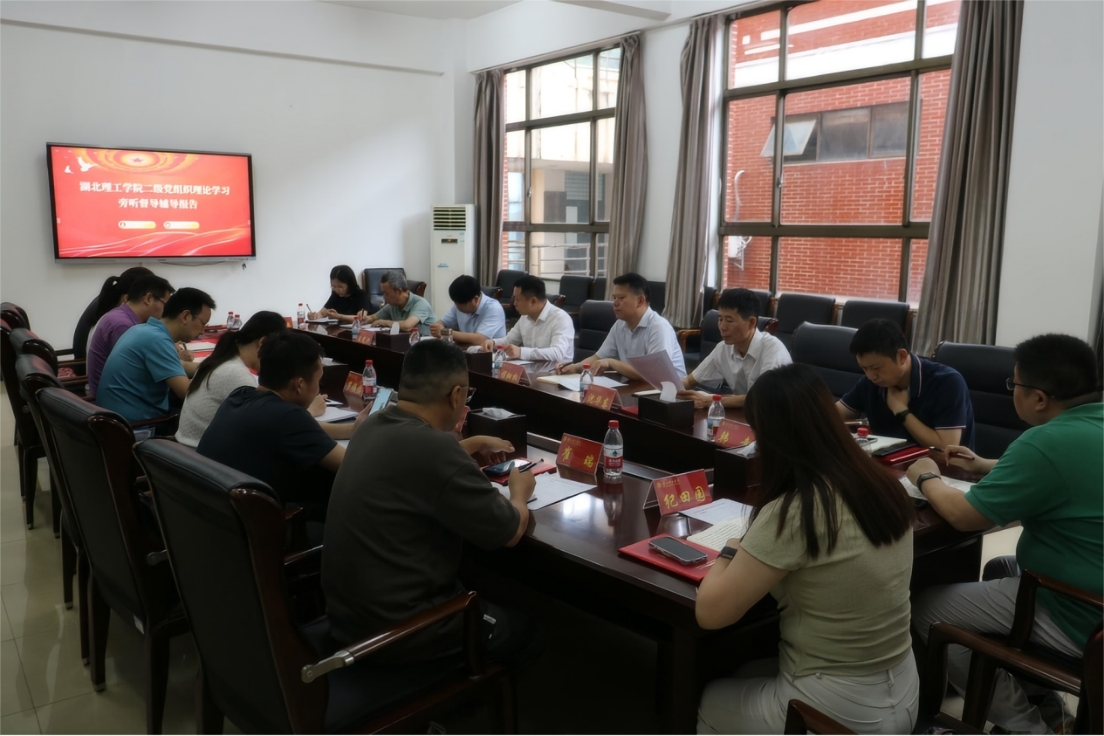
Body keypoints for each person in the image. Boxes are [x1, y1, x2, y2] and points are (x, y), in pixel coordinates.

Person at [696, 363, 917, 735]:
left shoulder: (799, 510)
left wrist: (731, 549)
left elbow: (710, 613)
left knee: (711, 696)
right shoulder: (884, 485)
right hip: (905, 690)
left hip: (837, 709)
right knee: (746, 670)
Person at [908, 333, 1102, 735]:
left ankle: (1026, 728)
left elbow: (963, 516)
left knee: (926, 608)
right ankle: (1048, 708)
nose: (1011, 391)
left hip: (1081, 612)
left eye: (1014, 384)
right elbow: (1068, 471)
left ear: (1039, 398)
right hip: (1090, 585)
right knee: (1000, 566)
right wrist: (985, 465)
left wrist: (926, 477)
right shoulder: (1089, 424)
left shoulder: (1045, 443)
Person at [323, 339, 543, 666]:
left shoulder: (370, 426)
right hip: (400, 631)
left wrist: (470, 445)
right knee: (530, 628)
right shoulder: (437, 449)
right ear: (456, 395)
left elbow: (415, 462)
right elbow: (510, 531)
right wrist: (519, 492)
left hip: (347, 617)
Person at [198, 330, 367, 515]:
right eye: (319, 381)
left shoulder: (240, 395)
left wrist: (352, 430)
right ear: (299, 384)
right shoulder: (288, 416)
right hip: (258, 520)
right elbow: (353, 467)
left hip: (212, 512)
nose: (319, 389)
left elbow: (304, 430)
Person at [177, 311, 321, 447]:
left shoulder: (221, 360)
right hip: (203, 456)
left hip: (187, 453)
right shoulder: (236, 374)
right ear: (262, 343)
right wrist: (310, 412)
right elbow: (275, 427)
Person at [836, 318, 975, 450]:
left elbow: (946, 447)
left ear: (901, 356)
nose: (871, 376)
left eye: (876, 368)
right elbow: (835, 414)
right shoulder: (871, 382)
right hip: (890, 462)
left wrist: (901, 411)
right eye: (864, 368)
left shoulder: (947, 383)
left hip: (939, 466)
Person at [95, 287, 216, 423]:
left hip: (114, 419)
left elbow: (178, 366)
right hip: (136, 425)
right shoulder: (158, 340)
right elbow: (186, 392)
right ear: (185, 316)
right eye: (203, 324)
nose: (203, 331)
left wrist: (214, 368)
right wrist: (221, 382)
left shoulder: (143, 329)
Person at [557, 272, 686, 379]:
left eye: (621, 298)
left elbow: (654, 373)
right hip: (635, 388)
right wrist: (575, 368)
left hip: (668, 394)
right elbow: (599, 357)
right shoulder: (620, 325)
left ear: (640, 300)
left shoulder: (659, 327)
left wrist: (612, 363)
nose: (615, 303)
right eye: (614, 298)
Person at [679, 288, 791, 409]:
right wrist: (668, 385)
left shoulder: (773, 350)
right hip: (746, 414)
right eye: (720, 319)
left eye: (729, 320)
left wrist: (709, 401)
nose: (722, 327)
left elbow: (762, 399)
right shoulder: (723, 348)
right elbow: (689, 381)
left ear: (751, 323)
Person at [86, 275, 175, 397]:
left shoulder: (120, 316)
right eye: (165, 304)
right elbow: (148, 365)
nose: (166, 311)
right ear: (148, 298)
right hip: (113, 399)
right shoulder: (123, 325)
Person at [479, 275, 573, 362]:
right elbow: (509, 340)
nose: (514, 303)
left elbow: (557, 353)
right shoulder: (525, 317)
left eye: (517, 299)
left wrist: (521, 352)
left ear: (533, 301)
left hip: (555, 372)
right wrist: (493, 343)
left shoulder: (561, 318)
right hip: (531, 369)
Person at [73, 266, 155, 359]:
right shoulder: (119, 322)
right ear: (126, 298)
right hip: (84, 364)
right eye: (148, 298)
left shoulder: (107, 302)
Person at [430, 274, 506, 347]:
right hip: (466, 350)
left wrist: (446, 333)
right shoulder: (460, 304)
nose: (457, 307)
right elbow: (443, 322)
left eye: (461, 304)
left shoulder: (493, 308)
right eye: (455, 303)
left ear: (476, 299)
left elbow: (480, 339)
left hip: (490, 353)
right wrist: (437, 327)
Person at [356, 270, 436, 335]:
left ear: (399, 291)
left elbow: (407, 326)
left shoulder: (420, 303)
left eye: (386, 293)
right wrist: (365, 318)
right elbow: (373, 318)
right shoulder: (393, 305)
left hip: (425, 345)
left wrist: (385, 322)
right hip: (404, 343)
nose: (384, 297)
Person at [308, 265, 373, 323]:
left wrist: (338, 316)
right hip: (340, 330)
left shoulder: (361, 295)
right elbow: (323, 313)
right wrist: (315, 316)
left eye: (340, 287)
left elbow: (361, 318)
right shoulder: (336, 294)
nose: (337, 290)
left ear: (350, 284)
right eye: (333, 286)